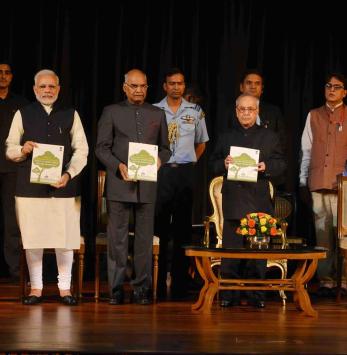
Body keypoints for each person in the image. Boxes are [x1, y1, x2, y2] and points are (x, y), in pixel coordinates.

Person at [6, 69, 89, 305]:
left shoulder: (71, 114)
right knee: (34, 239)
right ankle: (36, 288)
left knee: (65, 238)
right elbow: (10, 148)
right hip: (29, 188)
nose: (47, 90)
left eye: (51, 86)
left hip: (64, 186)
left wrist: (69, 174)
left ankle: (65, 288)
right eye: (42, 87)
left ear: (58, 89)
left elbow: (82, 150)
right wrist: (22, 150)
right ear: (35, 89)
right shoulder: (23, 113)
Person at [95, 69, 170, 305]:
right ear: (124, 87)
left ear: (147, 88)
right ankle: (115, 289)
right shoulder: (111, 112)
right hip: (119, 185)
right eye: (134, 86)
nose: (139, 90)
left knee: (144, 241)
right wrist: (118, 166)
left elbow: (166, 148)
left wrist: (160, 160)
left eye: (143, 86)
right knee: (117, 240)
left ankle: (141, 289)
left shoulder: (157, 113)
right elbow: (101, 148)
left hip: (147, 186)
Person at [209, 93, 286, 308]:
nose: (246, 113)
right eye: (242, 109)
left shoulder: (269, 137)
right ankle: (228, 294)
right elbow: (212, 164)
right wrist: (223, 164)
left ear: (257, 111)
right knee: (231, 252)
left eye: (250, 109)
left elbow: (281, 165)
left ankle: (256, 295)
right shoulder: (226, 136)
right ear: (236, 111)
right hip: (234, 198)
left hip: (258, 200)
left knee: (257, 252)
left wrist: (266, 167)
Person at [154, 68, 209, 299]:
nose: (176, 87)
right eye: (172, 83)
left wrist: (188, 161)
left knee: (183, 229)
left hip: (185, 173)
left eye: (180, 83)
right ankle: (156, 282)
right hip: (161, 173)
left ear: (184, 86)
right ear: (165, 86)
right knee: (159, 229)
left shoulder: (195, 111)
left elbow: (202, 142)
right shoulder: (154, 110)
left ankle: (179, 285)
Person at [299, 72, 347, 295]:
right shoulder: (314, 115)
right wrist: (302, 180)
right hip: (318, 181)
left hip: (344, 185)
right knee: (322, 232)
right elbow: (306, 150)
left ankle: (344, 280)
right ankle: (326, 281)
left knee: (344, 233)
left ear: (344, 92)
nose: (332, 90)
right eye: (328, 86)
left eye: (337, 87)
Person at [0, 61, 29, 280]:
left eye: (7, 73)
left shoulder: (21, 104)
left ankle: (15, 271)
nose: (3, 76)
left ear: (12, 77)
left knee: (12, 222)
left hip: (12, 168)